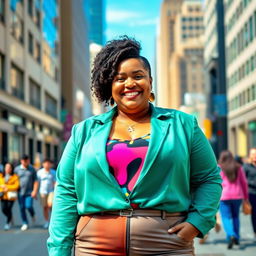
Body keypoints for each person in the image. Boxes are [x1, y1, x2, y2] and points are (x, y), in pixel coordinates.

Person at [47, 36, 222, 256]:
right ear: (109, 86)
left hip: (166, 243)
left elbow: (209, 178)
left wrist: (198, 222)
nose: (129, 83)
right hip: (95, 245)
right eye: (120, 78)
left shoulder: (184, 125)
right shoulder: (83, 131)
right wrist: (59, 251)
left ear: (150, 81)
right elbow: (66, 190)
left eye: (138, 76)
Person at [218, 150, 249, 249]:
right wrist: (246, 198)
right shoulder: (238, 167)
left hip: (224, 196)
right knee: (236, 216)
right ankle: (236, 237)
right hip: (237, 195)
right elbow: (244, 183)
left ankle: (231, 235)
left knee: (225, 217)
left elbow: (217, 182)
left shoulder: (220, 167)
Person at [15, 154, 39, 231]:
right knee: (22, 208)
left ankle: (32, 214)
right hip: (20, 193)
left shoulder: (32, 169)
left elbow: (36, 181)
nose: (25, 162)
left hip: (29, 192)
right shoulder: (17, 169)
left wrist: (35, 191)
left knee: (28, 206)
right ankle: (25, 223)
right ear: (21, 161)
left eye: (27, 160)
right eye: (24, 160)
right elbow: (13, 180)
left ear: (29, 160)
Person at [37, 158, 56, 229]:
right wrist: (35, 192)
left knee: (50, 205)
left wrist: (56, 191)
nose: (47, 165)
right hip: (42, 192)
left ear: (51, 165)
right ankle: (46, 221)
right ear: (43, 164)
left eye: (49, 163)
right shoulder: (39, 172)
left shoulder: (53, 172)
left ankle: (53, 220)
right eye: (45, 163)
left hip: (51, 191)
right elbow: (37, 183)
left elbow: (55, 183)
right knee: (45, 207)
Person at [0, 163, 19, 230]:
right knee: (3, 209)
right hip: (3, 195)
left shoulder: (14, 176)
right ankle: (10, 217)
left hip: (11, 196)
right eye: (6, 167)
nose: (7, 169)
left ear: (11, 169)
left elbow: (16, 186)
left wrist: (7, 187)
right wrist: (2, 187)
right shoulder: (1, 176)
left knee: (9, 208)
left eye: (9, 167)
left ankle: (7, 223)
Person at [243, 147, 256, 240]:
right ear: (250, 155)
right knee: (254, 214)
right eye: (253, 154)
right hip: (252, 193)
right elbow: (243, 181)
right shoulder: (246, 166)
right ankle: (255, 231)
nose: (254, 156)